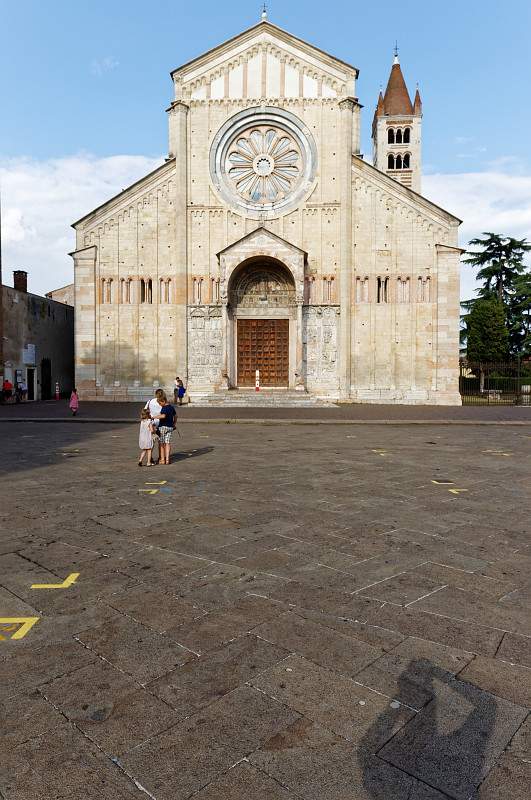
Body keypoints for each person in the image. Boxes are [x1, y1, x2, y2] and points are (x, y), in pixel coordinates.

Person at [154, 394, 176, 465]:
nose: (160, 405)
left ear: (163, 401)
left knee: (161, 443)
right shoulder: (171, 407)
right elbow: (176, 416)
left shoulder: (164, 407)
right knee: (167, 443)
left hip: (163, 427)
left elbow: (163, 416)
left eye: (160, 403)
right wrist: (174, 424)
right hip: (170, 427)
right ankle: (167, 460)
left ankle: (162, 460)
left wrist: (154, 417)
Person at [144, 388, 165, 463]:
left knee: (151, 442)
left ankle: (150, 458)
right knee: (161, 442)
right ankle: (161, 457)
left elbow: (145, 410)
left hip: (152, 423)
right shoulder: (163, 402)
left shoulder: (150, 401)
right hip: (161, 423)